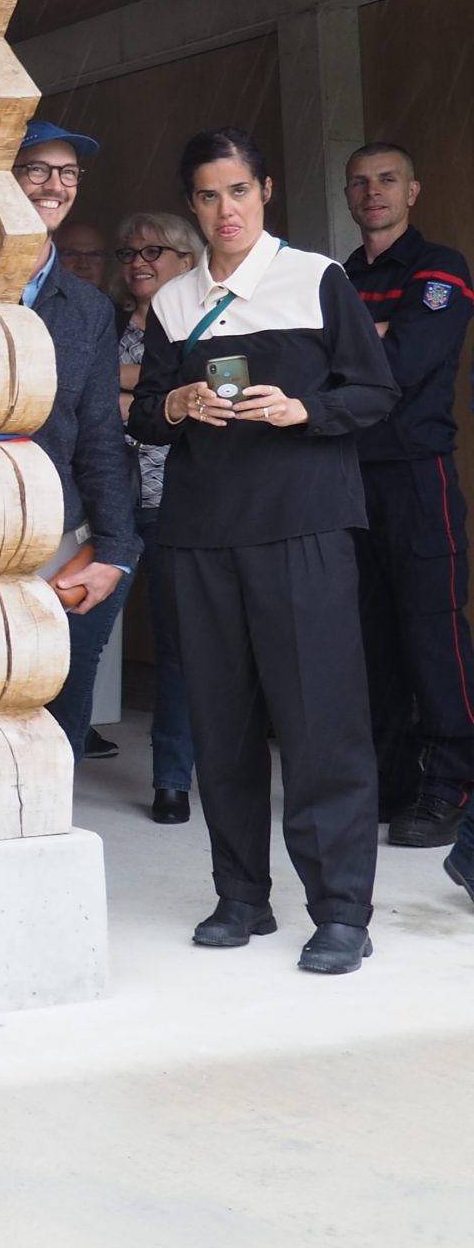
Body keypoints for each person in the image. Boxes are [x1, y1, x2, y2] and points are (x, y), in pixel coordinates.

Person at [130, 127, 396, 974]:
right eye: (207, 196)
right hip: (202, 535)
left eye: (238, 191)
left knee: (321, 724)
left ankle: (342, 911)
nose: (225, 210)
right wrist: (178, 408)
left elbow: (375, 391)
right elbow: (142, 418)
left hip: (304, 526)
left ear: (265, 192)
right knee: (222, 724)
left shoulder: (316, 279)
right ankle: (241, 894)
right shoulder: (175, 301)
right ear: (193, 206)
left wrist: (302, 412)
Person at [340, 142, 474, 848]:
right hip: (349, 478)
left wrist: (355, 348)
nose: (373, 193)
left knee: (433, 633)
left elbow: (404, 365)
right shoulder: (337, 277)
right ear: (347, 195)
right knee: (372, 641)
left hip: (417, 473)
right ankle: (392, 784)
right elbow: (315, 363)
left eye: (387, 180)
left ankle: (451, 781)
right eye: (360, 183)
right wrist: (369, 340)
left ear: (413, 190)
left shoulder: (440, 267)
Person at [13, 123, 141, 758]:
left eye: (67, 173)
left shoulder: (87, 308)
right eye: (36, 169)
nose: (55, 184)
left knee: (57, 720)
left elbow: (98, 436)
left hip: (55, 532)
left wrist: (116, 546)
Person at [112, 211, 204, 822]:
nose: (140, 261)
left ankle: (172, 779)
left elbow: (200, 395)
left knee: (178, 647)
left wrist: (127, 394)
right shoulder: (103, 327)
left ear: (188, 261)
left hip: (178, 505)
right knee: (73, 643)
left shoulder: (204, 329)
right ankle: (53, 771)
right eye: (130, 252)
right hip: (110, 507)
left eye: (156, 251)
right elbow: (74, 388)